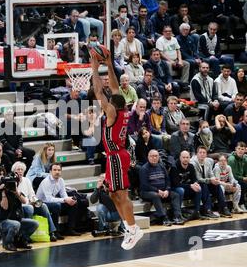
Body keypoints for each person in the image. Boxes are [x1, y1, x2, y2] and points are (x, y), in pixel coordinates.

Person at [90, 47, 143, 250]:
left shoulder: (111, 112)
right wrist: (109, 63)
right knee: (113, 195)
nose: (107, 102)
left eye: (108, 101)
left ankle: (132, 228)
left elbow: (98, 91)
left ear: (111, 105)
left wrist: (95, 65)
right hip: (118, 155)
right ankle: (129, 227)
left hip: (116, 156)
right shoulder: (123, 109)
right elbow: (114, 88)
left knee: (121, 195)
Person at [12, 161, 62, 241]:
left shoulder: (27, 180)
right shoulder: (12, 183)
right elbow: (20, 200)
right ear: (14, 171)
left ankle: (52, 232)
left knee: (43, 206)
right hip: (21, 206)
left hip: (29, 203)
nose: (20, 171)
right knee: (29, 208)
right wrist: (29, 202)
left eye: (22, 169)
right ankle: (26, 235)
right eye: (18, 169)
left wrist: (36, 201)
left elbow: (32, 195)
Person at [0, 165, 39, 251]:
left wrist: (16, 192)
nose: (12, 184)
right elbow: (5, 207)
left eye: (14, 182)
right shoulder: (0, 193)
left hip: (17, 219)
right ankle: (8, 243)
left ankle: (21, 241)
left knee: (34, 224)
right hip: (4, 221)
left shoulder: (17, 192)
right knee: (16, 224)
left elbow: (24, 201)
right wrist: (3, 192)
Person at [139, 149, 184, 226]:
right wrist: (157, 191)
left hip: (162, 191)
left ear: (158, 157)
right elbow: (145, 185)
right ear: (148, 157)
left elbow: (168, 181)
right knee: (155, 195)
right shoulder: (144, 169)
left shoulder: (161, 166)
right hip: (146, 192)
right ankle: (164, 218)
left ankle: (177, 217)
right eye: (152, 156)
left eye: (156, 156)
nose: (154, 158)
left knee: (175, 195)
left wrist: (167, 190)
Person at [36, 163, 80, 236]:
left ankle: (70, 229)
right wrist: (65, 200)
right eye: (55, 170)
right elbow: (49, 199)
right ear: (50, 171)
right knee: (56, 205)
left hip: (52, 202)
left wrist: (69, 199)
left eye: (59, 170)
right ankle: (56, 231)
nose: (57, 172)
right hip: (42, 204)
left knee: (73, 204)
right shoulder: (46, 182)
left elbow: (63, 194)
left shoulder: (61, 180)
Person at [191, 146, 232, 217]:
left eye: (204, 153)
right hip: (197, 184)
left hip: (207, 182)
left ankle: (223, 207)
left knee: (217, 185)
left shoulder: (208, 162)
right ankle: (207, 210)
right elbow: (198, 179)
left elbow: (211, 174)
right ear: (197, 154)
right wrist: (210, 180)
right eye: (200, 152)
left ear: (206, 154)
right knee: (204, 185)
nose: (202, 154)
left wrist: (214, 179)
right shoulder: (193, 163)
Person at [227, 141, 247, 212]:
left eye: (242, 149)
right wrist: (243, 178)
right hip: (231, 179)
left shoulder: (245, 158)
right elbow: (233, 175)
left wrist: (245, 177)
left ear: (245, 150)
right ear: (235, 149)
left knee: (243, 182)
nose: (240, 151)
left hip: (241, 178)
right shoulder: (232, 159)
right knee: (243, 184)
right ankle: (241, 204)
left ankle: (244, 204)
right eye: (239, 148)